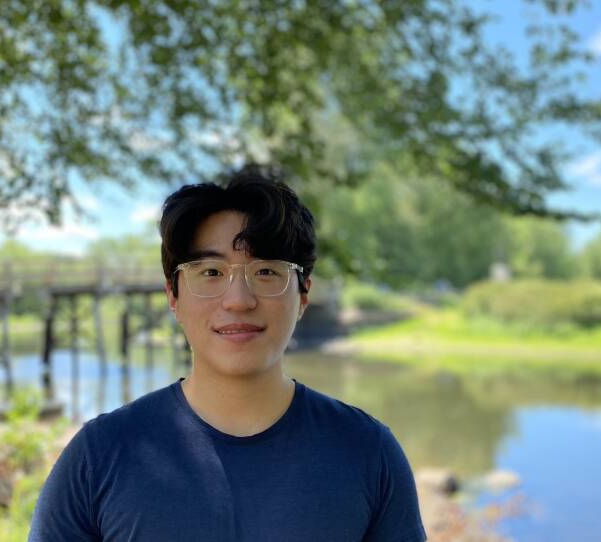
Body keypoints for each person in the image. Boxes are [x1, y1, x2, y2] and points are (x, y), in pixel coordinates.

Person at [29, 166, 427, 541]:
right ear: (173, 296)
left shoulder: (367, 452)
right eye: (211, 273)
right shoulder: (99, 456)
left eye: (266, 272)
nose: (238, 300)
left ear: (303, 294)